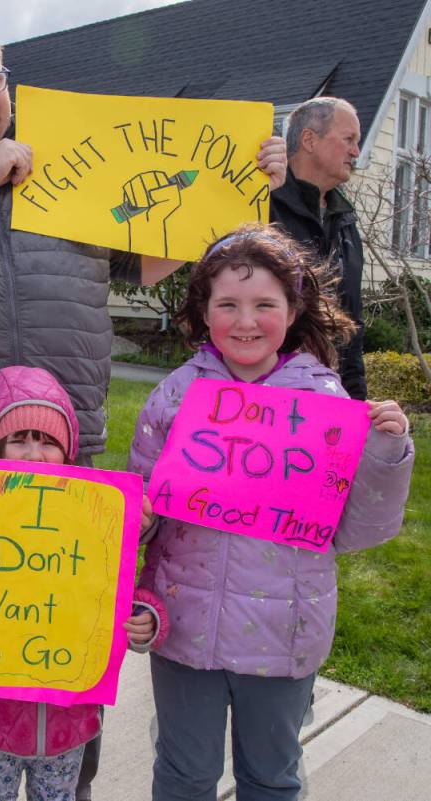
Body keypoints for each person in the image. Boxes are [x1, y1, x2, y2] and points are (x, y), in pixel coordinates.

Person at [0, 12, 288, 800]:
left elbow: (151, 255)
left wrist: (243, 185)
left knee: (61, 638)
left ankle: (63, 781)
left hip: (62, 456)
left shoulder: (68, 166)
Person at [127, 225, 414, 801]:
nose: (246, 321)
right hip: (185, 629)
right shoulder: (175, 397)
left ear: (293, 309)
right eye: (227, 304)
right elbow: (140, 509)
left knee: (271, 777)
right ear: (203, 311)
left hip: (283, 635)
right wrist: (140, 514)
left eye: (265, 304)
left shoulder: (326, 403)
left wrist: (387, 452)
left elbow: (357, 528)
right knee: (182, 775)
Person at [0, 364, 165, 801]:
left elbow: (117, 592)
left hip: (69, 719)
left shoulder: (92, 520)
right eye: (18, 441)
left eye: (47, 442)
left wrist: (146, 619)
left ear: (68, 450)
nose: (32, 455)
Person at [271, 97, 366, 400]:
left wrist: (356, 402)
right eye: (349, 139)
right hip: (266, 398)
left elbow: (351, 321)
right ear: (309, 139)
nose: (356, 152)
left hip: (329, 395)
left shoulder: (345, 221)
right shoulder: (263, 208)